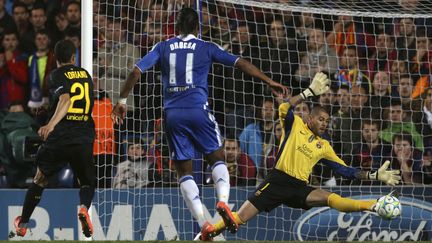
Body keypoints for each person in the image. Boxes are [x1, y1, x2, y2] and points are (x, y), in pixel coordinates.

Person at [111, 7, 287, 235]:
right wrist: (268, 80)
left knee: (184, 172)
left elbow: (136, 71)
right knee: (217, 158)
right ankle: (223, 201)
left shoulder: (163, 46)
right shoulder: (206, 46)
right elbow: (240, 62)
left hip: (172, 115)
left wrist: (122, 100)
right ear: (197, 27)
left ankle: (203, 222)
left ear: (176, 27)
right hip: (198, 110)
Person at [196, 72, 401, 241]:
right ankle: (209, 233)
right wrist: (308, 92)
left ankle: (374, 205)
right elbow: (284, 107)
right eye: (320, 119)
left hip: (299, 187)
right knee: (241, 217)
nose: (324, 124)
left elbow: (344, 170)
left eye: (326, 121)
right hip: (277, 181)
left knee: (333, 199)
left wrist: (373, 176)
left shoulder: (324, 145)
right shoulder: (295, 125)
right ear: (309, 118)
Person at [13, 40, 96, 238]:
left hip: (60, 136)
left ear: (56, 58)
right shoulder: (85, 75)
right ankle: (84, 208)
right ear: (73, 57)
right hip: (83, 136)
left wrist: (50, 124)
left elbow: (66, 99)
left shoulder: (57, 74)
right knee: (86, 182)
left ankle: (23, 223)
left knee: (40, 179)